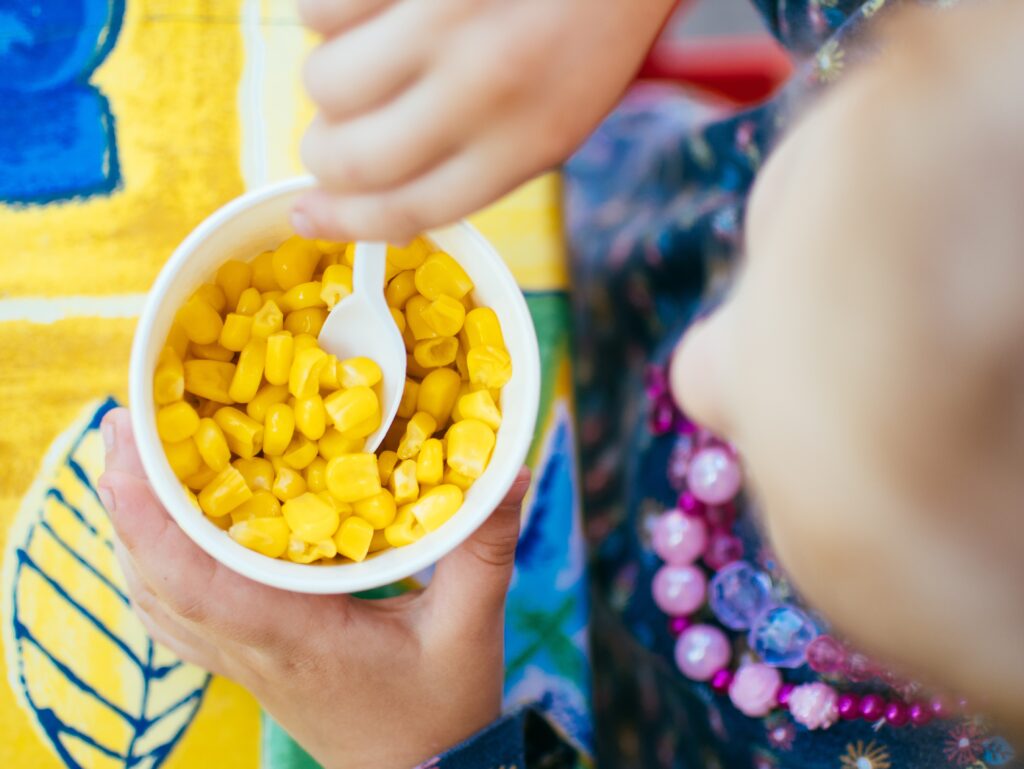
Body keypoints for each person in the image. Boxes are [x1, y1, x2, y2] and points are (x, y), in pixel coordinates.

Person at [98, 0, 1024, 767]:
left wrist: (423, 748)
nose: (698, 367)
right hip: (611, 218)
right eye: (785, 246)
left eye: (790, 450)